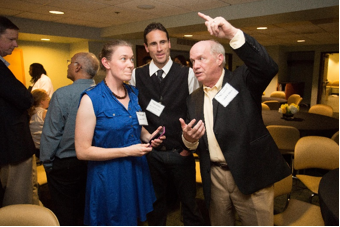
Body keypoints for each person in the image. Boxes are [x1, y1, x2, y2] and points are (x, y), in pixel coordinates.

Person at [180, 12, 291, 226]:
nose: (195, 65)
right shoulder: (193, 98)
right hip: (215, 177)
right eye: (192, 60)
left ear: (219, 59)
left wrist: (232, 33)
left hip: (250, 173)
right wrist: (188, 138)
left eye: (201, 58)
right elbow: (193, 142)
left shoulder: (242, 81)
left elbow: (267, 67)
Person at [75, 40, 163, 226]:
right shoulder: (91, 99)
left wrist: (147, 136)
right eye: (123, 59)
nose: (131, 64)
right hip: (109, 177)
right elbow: (82, 151)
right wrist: (128, 151)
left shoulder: (133, 93)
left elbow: (134, 123)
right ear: (106, 63)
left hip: (135, 170)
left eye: (131, 59)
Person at [129, 22, 204, 226]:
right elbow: (135, 111)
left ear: (170, 44)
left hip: (180, 152)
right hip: (151, 155)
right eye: (153, 44)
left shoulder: (187, 74)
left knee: (189, 205)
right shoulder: (137, 75)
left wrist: (187, 149)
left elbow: (195, 113)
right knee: (155, 207)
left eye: (163, 42)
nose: (159, 48)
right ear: (146, 48)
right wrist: (144, 135)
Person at [40, 52, 99, 225]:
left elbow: (52, 132)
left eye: (70, 62)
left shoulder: (62, 94)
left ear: (77, 67)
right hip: (95, 161)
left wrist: (47, 162)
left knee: (65, 213)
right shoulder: (104, 93)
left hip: (66, 164)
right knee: (89, 208)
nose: (68, 65)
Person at [0, 15, 36, 207]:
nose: (15, 44)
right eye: (11, 39)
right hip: (11, 145)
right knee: (18, 199)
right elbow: (24, 98)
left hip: (10, 145)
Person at [29, 89, 50, 157]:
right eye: (47, 98)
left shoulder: (30, 113)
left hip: (36, 148)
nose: (49, 100)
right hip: (46, 147)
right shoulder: (45, 113)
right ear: (42, 101)